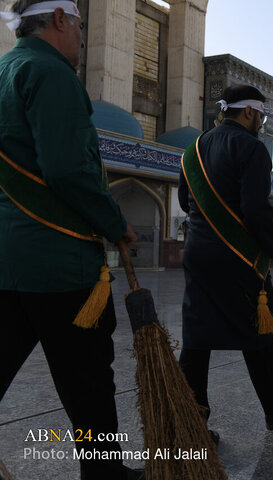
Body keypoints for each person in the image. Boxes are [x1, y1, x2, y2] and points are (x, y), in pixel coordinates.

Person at [0, 2, 142, 478]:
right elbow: (67, 169)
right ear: (60, 19)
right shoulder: (52, 72)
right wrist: (114, 220)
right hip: (58, 259)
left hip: (7, 257)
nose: (82, 36)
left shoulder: (5, 69)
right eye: (80, 25)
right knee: (87, 380)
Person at [178, 85, 273, 437]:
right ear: (251, 113)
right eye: (262, 116)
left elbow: (184, 201)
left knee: (196, 340)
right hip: (236, 257)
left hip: (197, 255)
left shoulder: (192, 150)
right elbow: (255, 209)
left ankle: (191, 423)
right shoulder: (251, 148)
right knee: (257, 329)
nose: (262, 124)